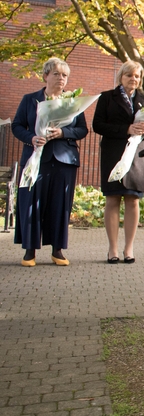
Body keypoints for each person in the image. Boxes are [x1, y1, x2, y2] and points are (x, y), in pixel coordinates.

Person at [12, 57, 88, 267]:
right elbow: (17, 125)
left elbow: (82, 129)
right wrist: (31, 138)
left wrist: (63, 132)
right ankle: (30, 251)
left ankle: (57, 250)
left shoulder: (73, 101)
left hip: (64, 160)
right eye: (56, 74)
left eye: (65, 75)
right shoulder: (29, 99)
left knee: (60, 205)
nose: (61, 78)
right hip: (35, 158)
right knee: (31, 202)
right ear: (45, 75)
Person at [93, 60, 144, 264]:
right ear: (121, 76)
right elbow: (97, 125)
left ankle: (128, 249)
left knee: (133, 200)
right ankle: (112, 249)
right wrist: (126, 129)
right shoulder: (107, 98)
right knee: (113, 199)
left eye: (137, 76)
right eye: (129, 75)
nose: (133, 79)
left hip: (137, 156)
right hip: (113, 154)